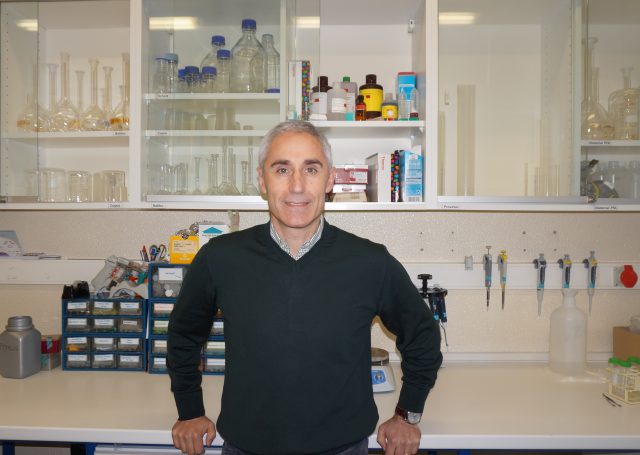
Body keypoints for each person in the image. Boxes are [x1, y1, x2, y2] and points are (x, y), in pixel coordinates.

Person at [167, 120, 442, 455]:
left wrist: (407, 414)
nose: (296, 186)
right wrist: (189, 410)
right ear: (262, 180)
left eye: (311, 169)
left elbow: (422, 335)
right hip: (246, 445)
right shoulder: (220, 257)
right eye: (282, 169)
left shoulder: (370, 262)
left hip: (342, 448)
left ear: (330, 179)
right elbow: (183, 334)